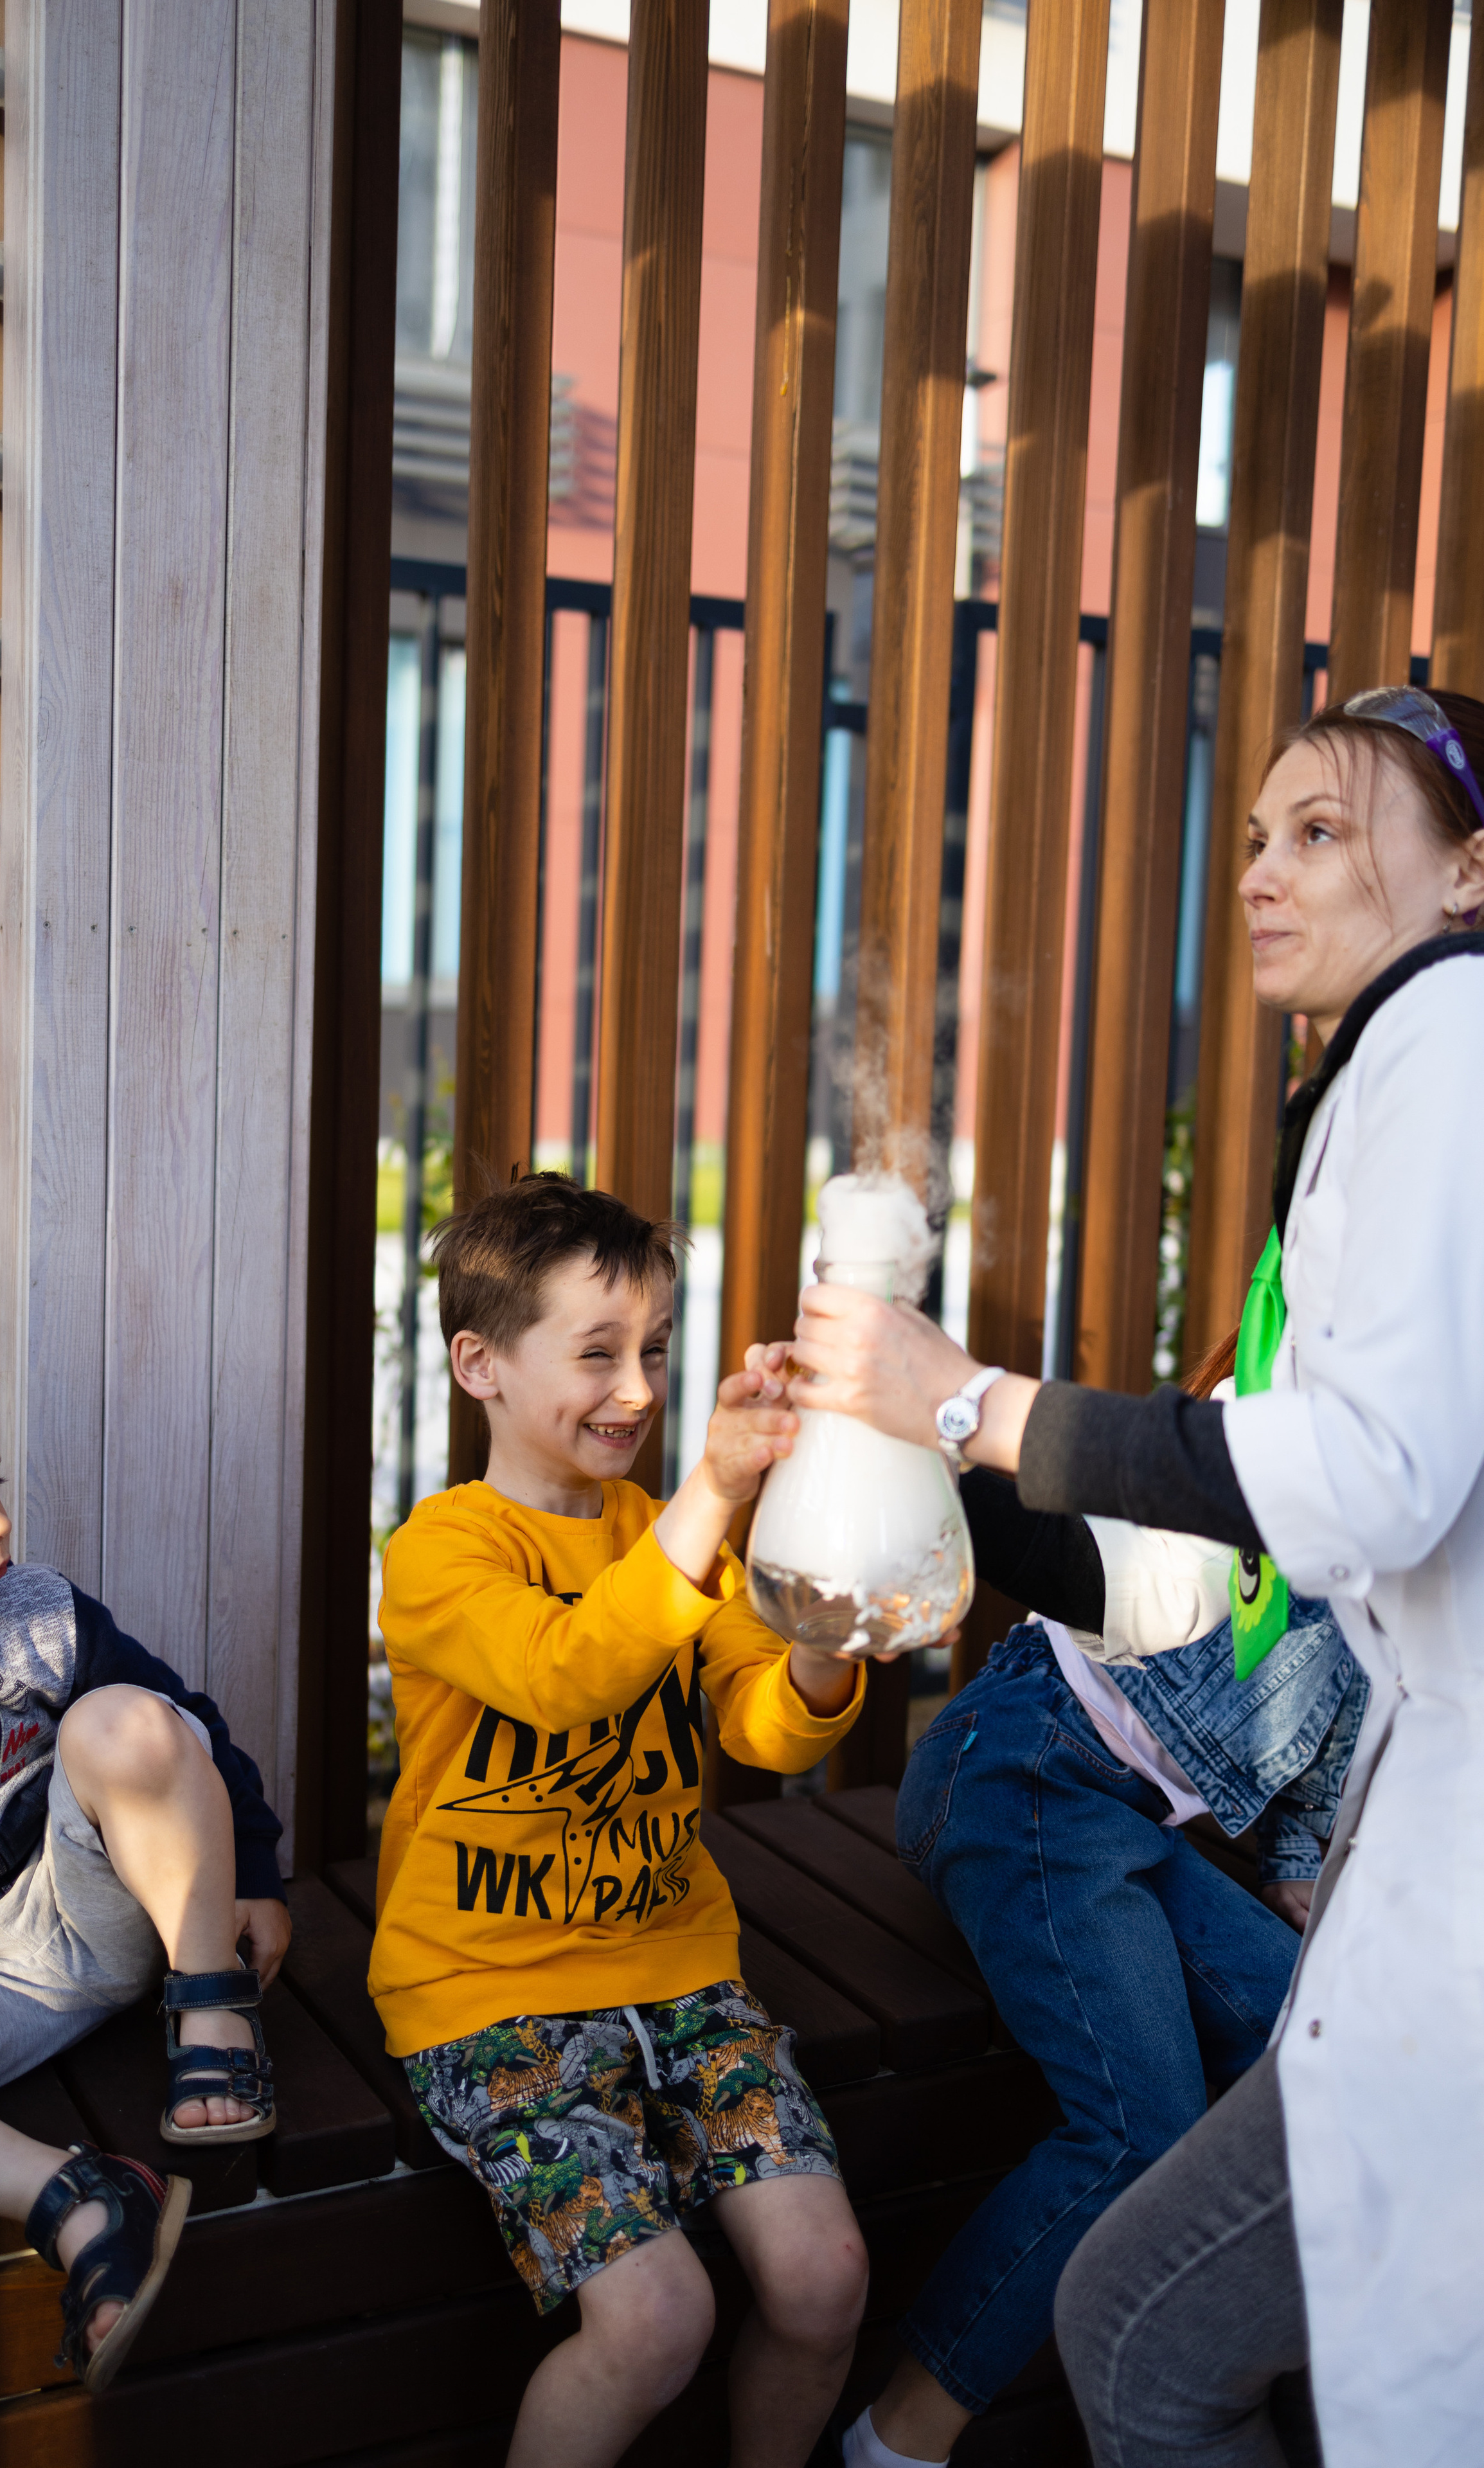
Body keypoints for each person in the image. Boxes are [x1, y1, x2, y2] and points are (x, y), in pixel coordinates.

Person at [783, 688, 1484, 2467]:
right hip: (1058, 1758)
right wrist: (931, 1477)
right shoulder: (1391, 1100)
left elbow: (1344, 1495)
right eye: (1253, 835)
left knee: (1168, 2292)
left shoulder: (1447, 1053)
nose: (1258, 872)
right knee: (1154, 2229)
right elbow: (1190, 1553)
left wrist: (964, 1400)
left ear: (1469, 875)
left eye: (1321, 833)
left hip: (1291, 1852)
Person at [367, 1172, 871, 2468]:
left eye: (652, 1349)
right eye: (594, 1355)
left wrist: (818, 1649)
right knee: (652, 2322)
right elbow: (566, 1669)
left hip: (684, 1975)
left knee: (821, 2282)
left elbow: (764, 1724)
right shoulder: (439, 1554)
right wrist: (715, 1492)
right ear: (477, 1364)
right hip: (486, 1998)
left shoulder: (673, 1532)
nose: (637, 1391)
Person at [834, 1434, 1363, 2468]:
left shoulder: (1415, 1551)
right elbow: (1120, 1570)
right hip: (1025, 1760)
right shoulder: (1277, 1428)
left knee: (1306, 2059)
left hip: (1133, 1820)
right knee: (1136, 2130)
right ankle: (895, 2442)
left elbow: (1345, 1712)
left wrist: (1302, 1863)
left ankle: (1222, 2390)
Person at [0, 1342, 291, 2391]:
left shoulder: (37, 1615)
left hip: (104, 1913)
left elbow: (194, 1736)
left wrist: (255, 1873)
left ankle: (212, 2013)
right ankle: (82, 2198)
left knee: (122, 1721)